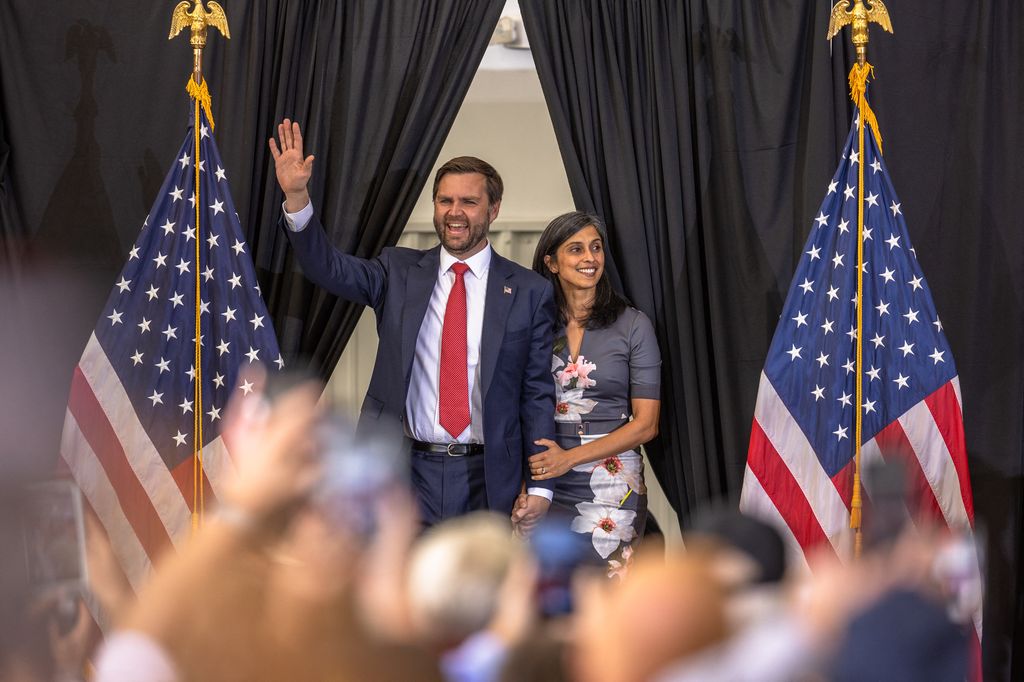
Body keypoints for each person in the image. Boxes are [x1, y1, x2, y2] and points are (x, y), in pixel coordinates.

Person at [268, 120, 557, 527]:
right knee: (397, 588)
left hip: (488, 477)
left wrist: (541, 486)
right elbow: (328, 268)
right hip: (403, 473)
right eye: (444, 201)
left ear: (493, 209)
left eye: (468, 202)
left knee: (473, 590)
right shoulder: (398, 271)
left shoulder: (529, 291)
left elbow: (537, 393)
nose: (454, 213)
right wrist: (297, 197)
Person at [527, 211, 661, 567]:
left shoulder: (633, 324)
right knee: (550, 594)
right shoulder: (532, 321)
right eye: (576, 249)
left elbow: (646, 425)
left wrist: (568, 459)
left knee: (607, 593)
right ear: (551, 262)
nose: (590, 258)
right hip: (544, 481)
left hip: (612, 484)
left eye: (596, 248)